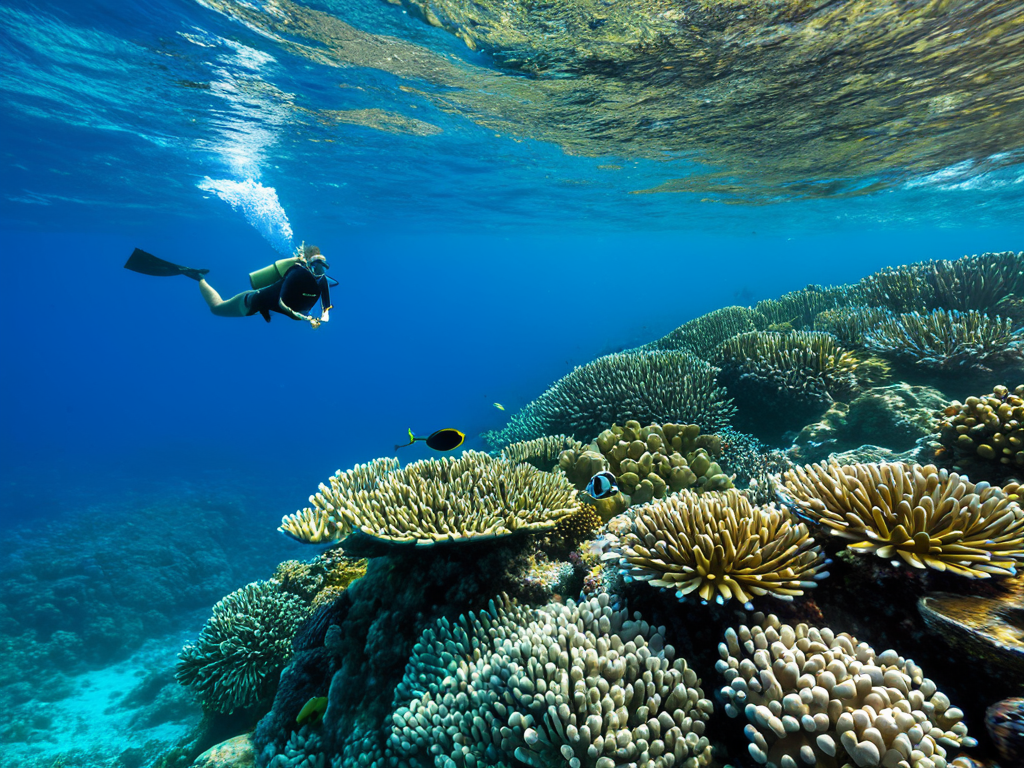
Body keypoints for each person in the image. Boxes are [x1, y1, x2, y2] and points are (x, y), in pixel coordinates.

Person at [124, 244, 335, 328]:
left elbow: (327, 304)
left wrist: (324, 316)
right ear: (308, 264)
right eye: (316, 266)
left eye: (323, 267)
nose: (320, 271)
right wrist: (306, 318)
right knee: (216, 308)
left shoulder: (322, 281)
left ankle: (196, 276)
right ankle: (198, 276)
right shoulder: (296, 272)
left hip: (265, 305)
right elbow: (281, 302)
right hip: (250, 302)